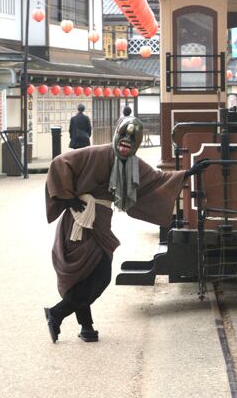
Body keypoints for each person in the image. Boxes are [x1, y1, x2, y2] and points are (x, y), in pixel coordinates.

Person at [43, 116, 209, 344]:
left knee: (91, 272)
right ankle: (58, 313)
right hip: (79, 219)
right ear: (117, 134)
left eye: (133, 138)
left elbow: (157, 180)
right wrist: (68, 198)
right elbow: (60, 162)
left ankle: (85, 325)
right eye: (125, 134)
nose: (127, 140)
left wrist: (189, 173)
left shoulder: (133, 164)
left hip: (100, 219)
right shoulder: (98, 153)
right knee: (97, 273)